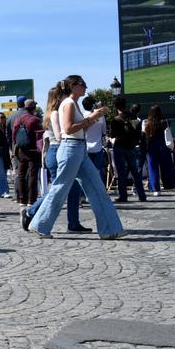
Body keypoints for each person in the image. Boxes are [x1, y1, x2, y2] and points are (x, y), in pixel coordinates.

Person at [28, 76, 125, 240]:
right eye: (83, 84)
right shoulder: (68, 103)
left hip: (78, 148)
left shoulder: (72, 104)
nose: (86, 86)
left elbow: (78, 130)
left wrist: (91, 120)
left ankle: (109, 228)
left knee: (96, 188)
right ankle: (39, 224)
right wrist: (92, 118)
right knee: (60, 189)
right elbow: (68, 128)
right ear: (73, 86)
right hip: (71, 148)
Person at [20, 87, 87, 233]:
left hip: (57, 152)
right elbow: (58, 136)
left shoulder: (55, 112)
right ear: (59, 97)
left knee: (71, 189)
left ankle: (73, 223)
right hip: (58, 151)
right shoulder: (55, 113)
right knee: (58, 190)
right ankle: (31, 212)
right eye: (64, 95)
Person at [109, 96, 147, 203]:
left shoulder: (116, 120)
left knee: (122, 173)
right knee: (135, 172)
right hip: (131, 146)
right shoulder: (134, 117)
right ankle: (141, 195)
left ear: (116, 106)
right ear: (126, 105)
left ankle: (123, 196)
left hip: (119, 146)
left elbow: (112, 135)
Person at [143, 105, 175, 196]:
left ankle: (156, 190)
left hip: (152, 148)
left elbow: (145, 136)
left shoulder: (147, 123)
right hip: (164, 147)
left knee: (153, 169)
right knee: (169, 168)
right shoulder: (166, 121)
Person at [12, 100, 42, 207]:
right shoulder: (36, 120)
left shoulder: (18, 119)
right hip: (33, 150)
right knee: (32, 175)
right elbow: (40, 137)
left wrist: (16, 147)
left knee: (21, 174)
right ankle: (31, 199)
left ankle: (21, 199)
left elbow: (14, 135)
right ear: (33, 108)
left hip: (21, 150)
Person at [81, 96, 109, 187]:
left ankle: (85, 193)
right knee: (99, 170)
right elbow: (104, 131)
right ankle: (100, 191)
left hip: (85, 148)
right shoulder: (101, 116)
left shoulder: (82, 116)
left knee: (85, 172)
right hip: (97, 147)